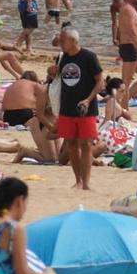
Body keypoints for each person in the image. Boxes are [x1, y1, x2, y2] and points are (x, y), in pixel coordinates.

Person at [55, 28, 103, 190]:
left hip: (85, 108)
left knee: (86, 144)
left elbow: (100, 82)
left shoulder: (89, 57)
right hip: (67, 107)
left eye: (63, 41)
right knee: (71, 145)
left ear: (73, 41)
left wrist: (88, 100)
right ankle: (78, 180)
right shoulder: (63, 58)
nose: (61, 43)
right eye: (61, 41)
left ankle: (86, 182)